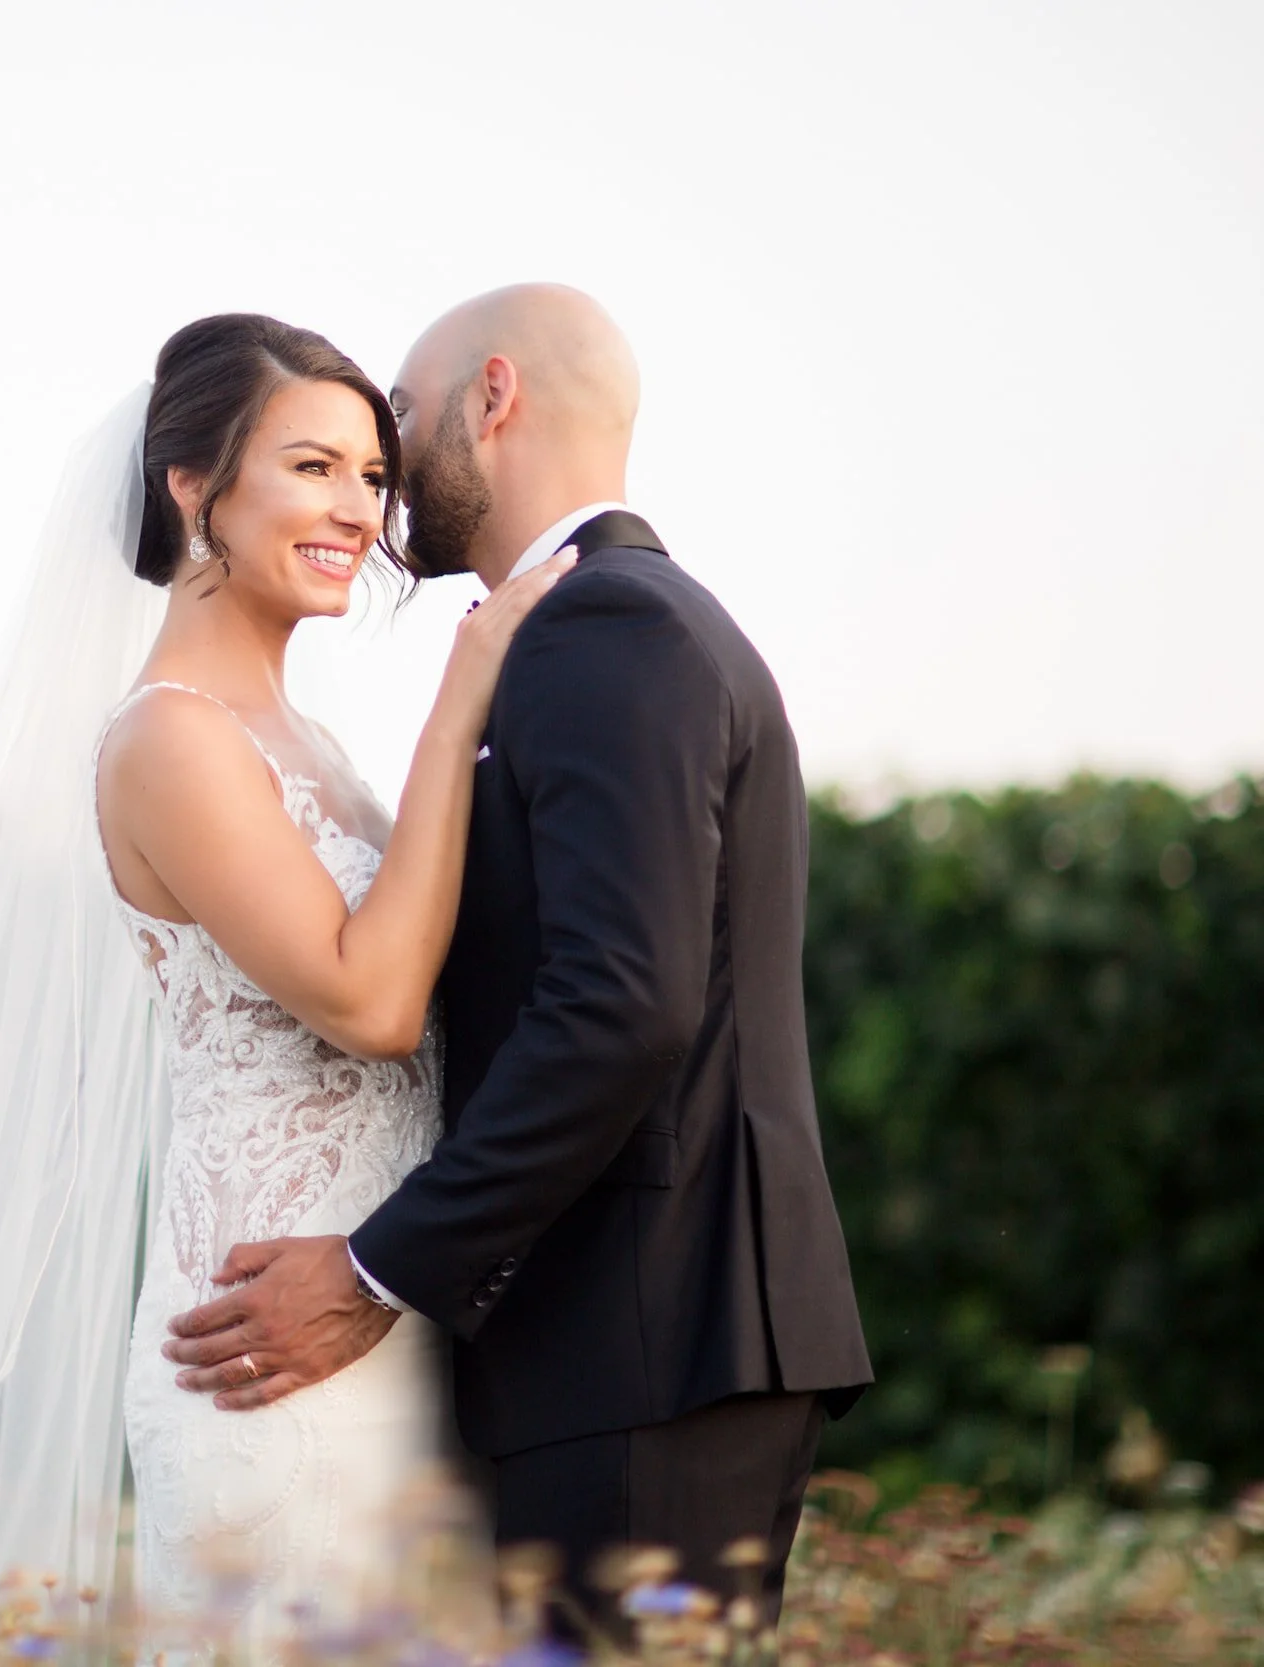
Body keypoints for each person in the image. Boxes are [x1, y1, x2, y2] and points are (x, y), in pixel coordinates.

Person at [159, 285, 874, 1640]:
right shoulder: (588, 630)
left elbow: (621, 1005)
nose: (377, 492)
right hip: (613, 1344)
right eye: (325, 463)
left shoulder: (609, 628)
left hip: (649, 1334)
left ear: (495, 399)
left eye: (398, 435)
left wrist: (378, 1266)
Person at [90, 313, 565, 1656]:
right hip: (266, 1351)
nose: (358, 509)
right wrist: (467, 688)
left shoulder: (305, 742)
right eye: (311, 467)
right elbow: (370, 1003)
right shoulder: (171, 741)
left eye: (370, 475)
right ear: (193, 484)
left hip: (383, 1312)